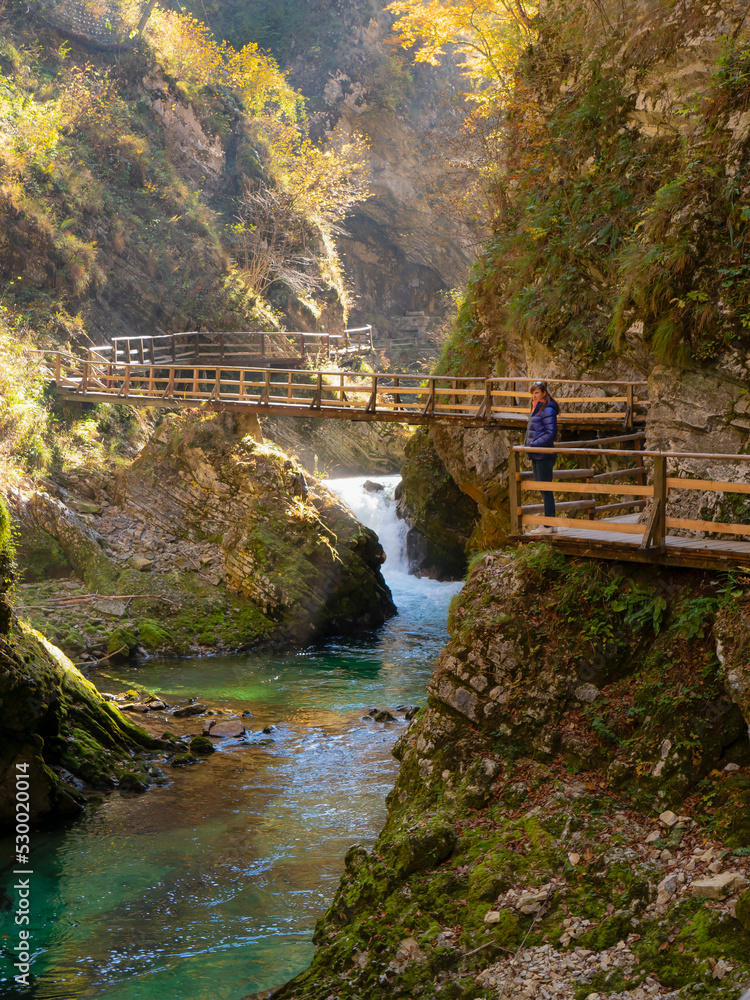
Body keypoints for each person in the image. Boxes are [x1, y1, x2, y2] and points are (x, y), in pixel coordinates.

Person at [525, 380, 559, 535]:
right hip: (536, 454)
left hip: (544, 454)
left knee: (546, 489)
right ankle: (549, 524)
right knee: (543, 488)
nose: (534, 395)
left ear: (544, 393)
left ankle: (548, 525)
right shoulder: (536, 408)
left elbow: (551, 433)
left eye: (537, 392)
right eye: (533, 392)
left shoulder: (548, 409)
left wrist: (534, 444)